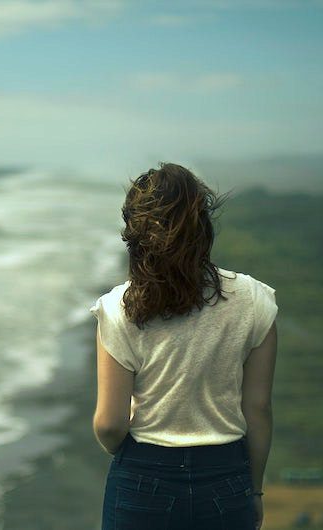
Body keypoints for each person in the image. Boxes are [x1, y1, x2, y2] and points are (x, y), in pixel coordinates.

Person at [90, 162, 277, 530]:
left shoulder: (117, 308)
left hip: (143, 478)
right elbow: (258, 409)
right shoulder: (255, 300)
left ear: (136, 232)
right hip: (226, 480)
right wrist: (253, 492)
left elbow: (110, 425)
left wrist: (133, 460)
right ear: (202, 227)